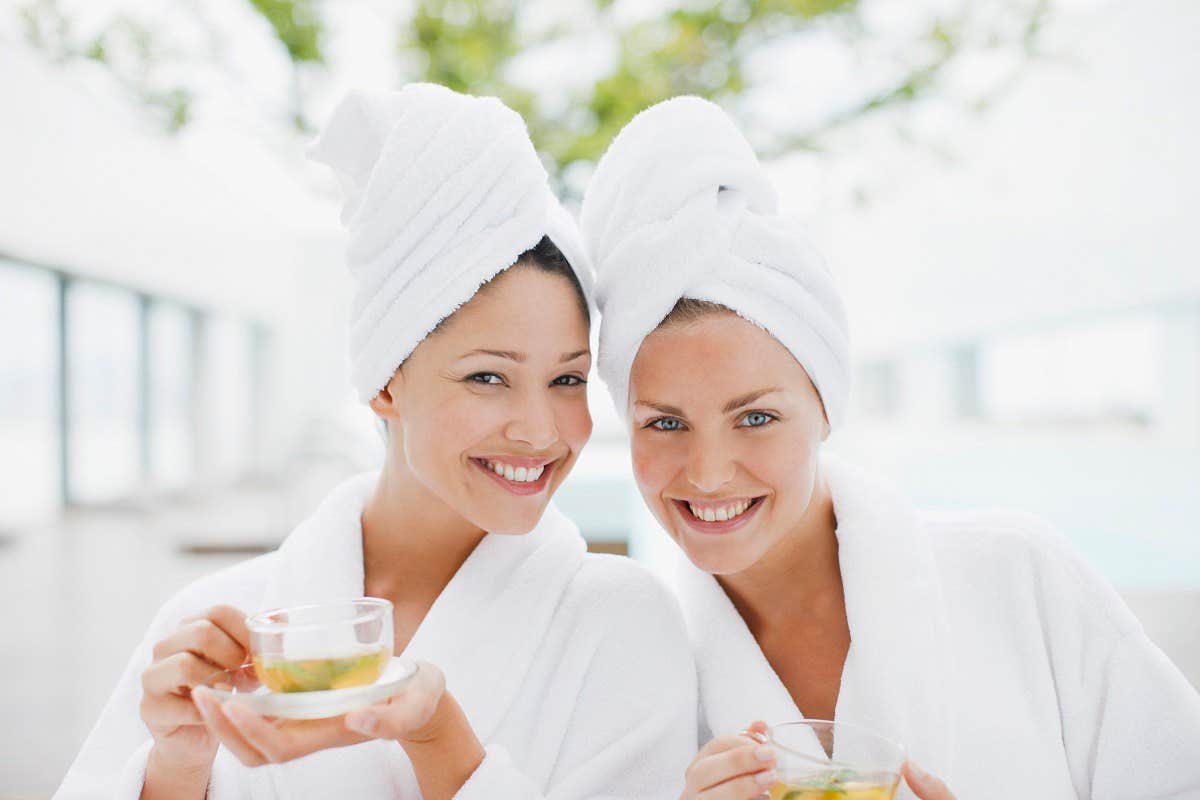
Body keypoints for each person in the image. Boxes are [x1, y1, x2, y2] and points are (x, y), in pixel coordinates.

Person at [55, 84, 697, 800]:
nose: (542, 430)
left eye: (568, 380)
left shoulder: (621, 623)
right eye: (488, 377)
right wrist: (175, 768)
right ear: (385, 382)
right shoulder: (219, 623)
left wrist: (439, 739)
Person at [579, 95, 1200, 800]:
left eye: (755, 419)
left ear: (826, 408)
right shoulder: (631, 679)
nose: (710, 472)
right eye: (664, 423)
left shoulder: (1020, 580)